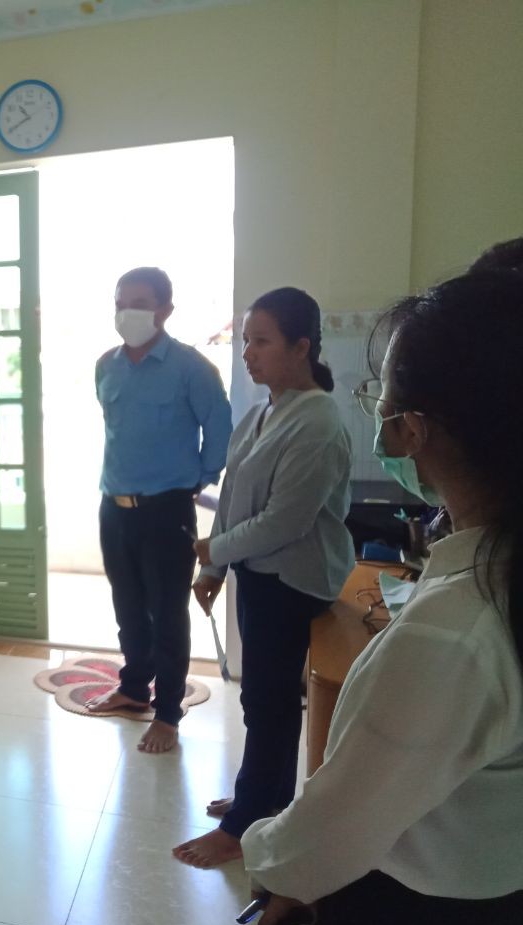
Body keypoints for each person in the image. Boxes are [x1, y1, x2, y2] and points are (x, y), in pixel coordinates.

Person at [241, 271, 523, 925]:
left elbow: (328, 835)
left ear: (412, 428)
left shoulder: (451, 635)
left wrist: (266, 854)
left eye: (382, 398)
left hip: (426, 916)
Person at [172, 287, 353, 868]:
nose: (248, 353)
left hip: (294, 581)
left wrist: (216, 548)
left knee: (270, 701)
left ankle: (245, 823)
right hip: (258, 574)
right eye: (246, 340)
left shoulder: (318, 421)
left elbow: (284, 522)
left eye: (261, 341)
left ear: (301, 347)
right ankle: (266, 799)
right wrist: (213, 567)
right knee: (262, 696)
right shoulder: (260, 413)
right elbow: (232, 499)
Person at [88, 267, 232, 753]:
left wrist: (197, 480)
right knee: (127, 606)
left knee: (168, 613)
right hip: (114, 507)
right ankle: (133, 688)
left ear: (165, 310)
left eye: (140, 303)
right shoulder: (106, 366)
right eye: (120, 303)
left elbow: (220, 432)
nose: (127, 312)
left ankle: (168, 712)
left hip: (167, 510)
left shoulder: (192, 369)